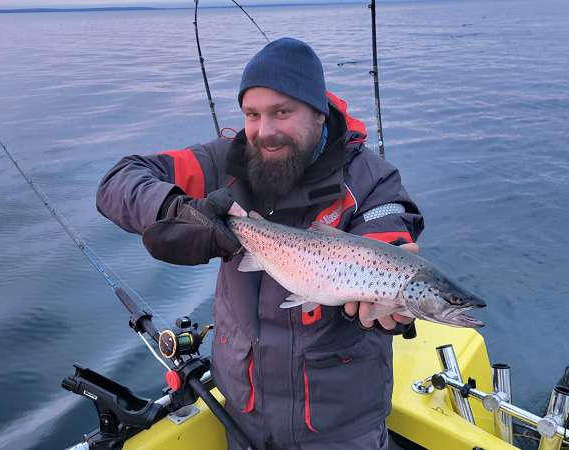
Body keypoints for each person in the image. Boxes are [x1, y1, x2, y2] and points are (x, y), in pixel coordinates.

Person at [96, 37, 424, 450]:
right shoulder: (226, 161)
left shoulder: (372, 181)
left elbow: (388, 234)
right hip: (240, 411)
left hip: (338, 426)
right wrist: (183, 211)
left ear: (319, 115)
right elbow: (118, 181)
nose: (265, 131)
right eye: (252, 114)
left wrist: (388, 293)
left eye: (282, 112)